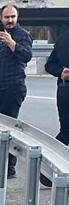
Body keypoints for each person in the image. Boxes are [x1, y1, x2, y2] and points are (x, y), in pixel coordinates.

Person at [0, 3, 33, 178]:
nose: (10, 20)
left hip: (13, 88)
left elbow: (26, 56)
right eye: (7, 17)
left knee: (8, 130)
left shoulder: (22, 35)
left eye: (13, 17)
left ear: (17, 17)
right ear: (1, 18)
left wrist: (12, 43)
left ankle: (9, 168)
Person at [42, 31, 69, 186]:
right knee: (66, 132)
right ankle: (47, 170)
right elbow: (49, 65)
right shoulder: (65, 38)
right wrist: (61, 72)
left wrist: (60, 72)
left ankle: (47, 170)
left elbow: (49, 65)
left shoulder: (63, 37)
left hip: (63, 89)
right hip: (65, 90)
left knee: (66, 132)